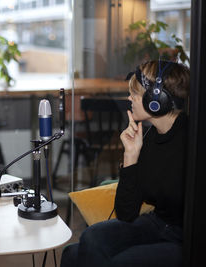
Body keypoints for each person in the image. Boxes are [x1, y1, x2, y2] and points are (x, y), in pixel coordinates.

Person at [61, 59, 190, 267]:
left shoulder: (191, 140)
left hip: (185, 237)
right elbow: (126, 213)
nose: (129, 98)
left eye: (135, 94)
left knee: (114, 261)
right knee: (87, 240)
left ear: (157, 99)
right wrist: (131, 156)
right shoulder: (149, 137)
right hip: (157, 224)